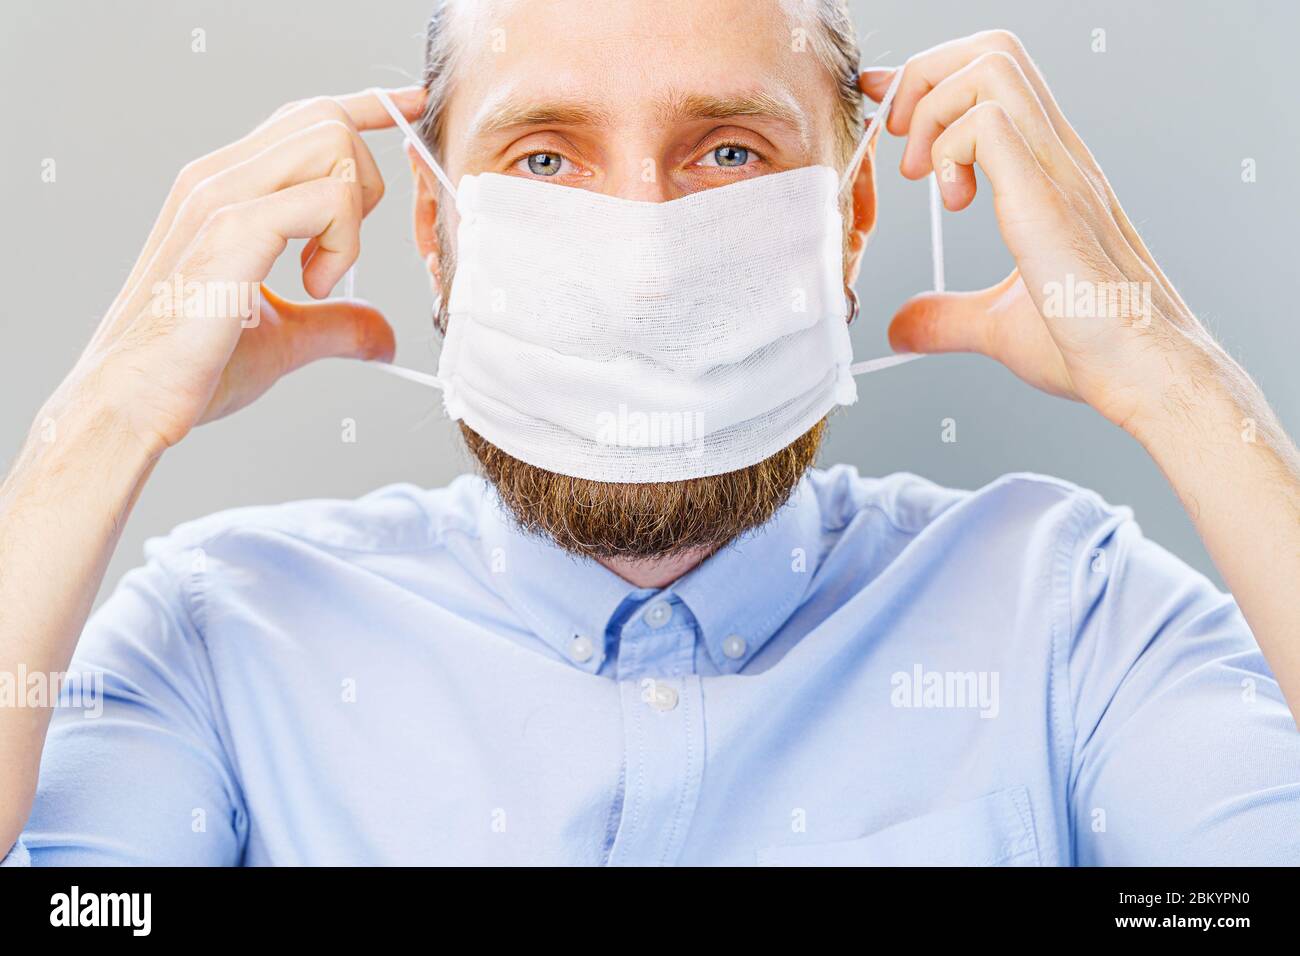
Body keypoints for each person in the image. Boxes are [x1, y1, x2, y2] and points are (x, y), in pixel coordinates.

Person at [2, 0, 1297, 866]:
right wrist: (96, 428)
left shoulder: (1070, 616)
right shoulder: (224, 647)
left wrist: (1175, 381)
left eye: (729, 155)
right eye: (546, 162)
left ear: (846, 224)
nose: (640, 270)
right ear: (435, 234)